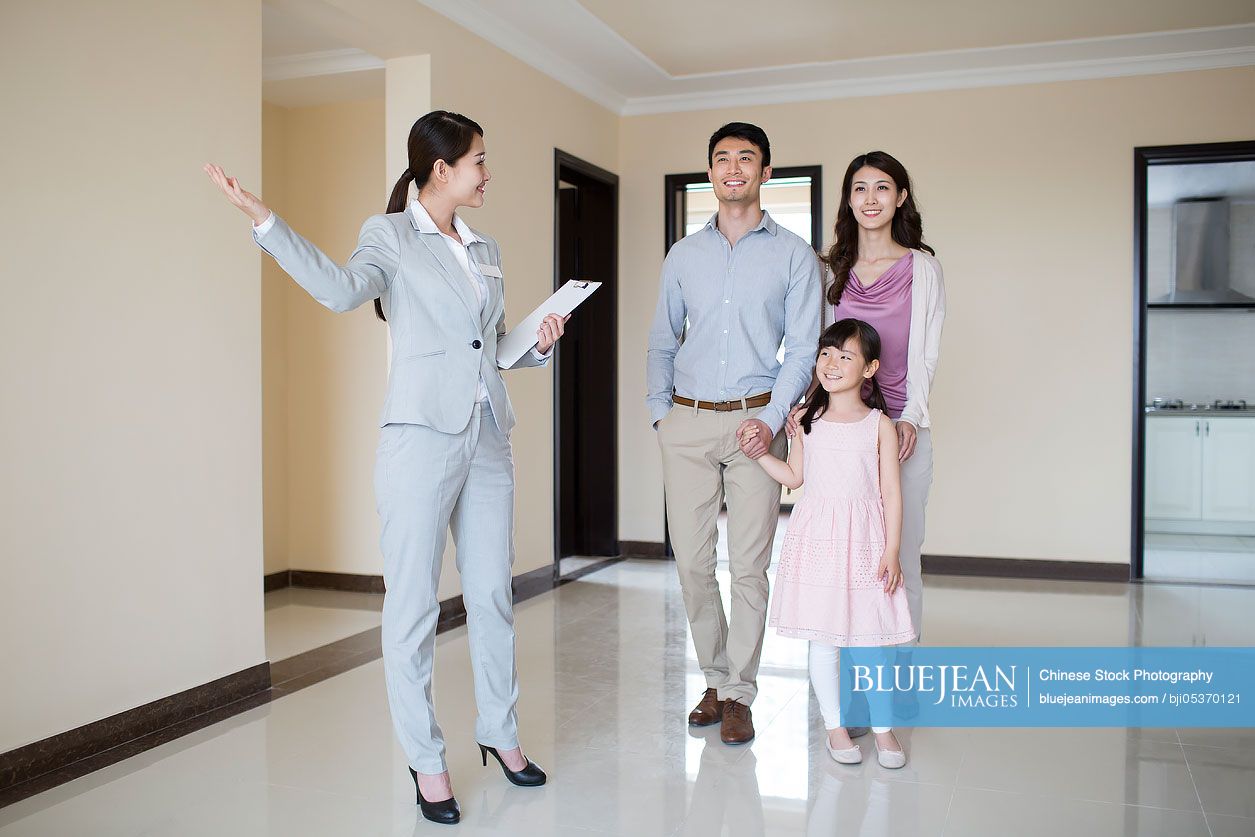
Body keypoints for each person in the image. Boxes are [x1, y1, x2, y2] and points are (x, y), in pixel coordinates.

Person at [204, 110, 565, 825]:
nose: (486, 174)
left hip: (487, 435)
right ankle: (427, 759)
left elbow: (489, 344)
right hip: (419, 443)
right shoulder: (390, 236)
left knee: (492, 592)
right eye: (478, 162)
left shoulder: (484, 246)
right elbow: (341, 290)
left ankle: (500, 732)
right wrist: (266, 221)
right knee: (413, 609)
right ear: (441, 169)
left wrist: (540, 340)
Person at [647, 122, 821, 745]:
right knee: (693, 564)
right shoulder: (683, 256)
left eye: (746, 158)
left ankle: (739, 693)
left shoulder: (794, 255)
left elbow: (802, 349)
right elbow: (662, 341)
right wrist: (660, 416)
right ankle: (714, 680)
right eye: (721, 159)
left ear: (765, 172)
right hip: (687, 423)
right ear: (711, 173)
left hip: (757, 423)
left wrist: (771, 420)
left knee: (749, 567)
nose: (732, 168)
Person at [744, 319, 913, 768]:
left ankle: (883, 728)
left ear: (871, 368)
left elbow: (891, 492)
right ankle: (835, 728)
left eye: (845, 355)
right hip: (817, 539)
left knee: (873, 639)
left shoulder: (879, 424)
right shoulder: (805, 420)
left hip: (866, 541)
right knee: (824, 641)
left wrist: (891, 549)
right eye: (826, 353)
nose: (831, 363)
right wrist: (763, 456)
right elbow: (795, 478)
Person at [790, 150, 944, 643]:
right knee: (843, 567)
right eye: (859, 188)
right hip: (841, 433)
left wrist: (909, 418)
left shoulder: (923, 269)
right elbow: (823, 352)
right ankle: (852, 692)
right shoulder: (830, 269)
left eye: (882, 187)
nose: (870, 198)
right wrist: (804, 410)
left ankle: (897, 684)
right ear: (849, 199)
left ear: (900, 198)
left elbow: (926, 354)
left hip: (901, 432)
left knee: (900, 558)